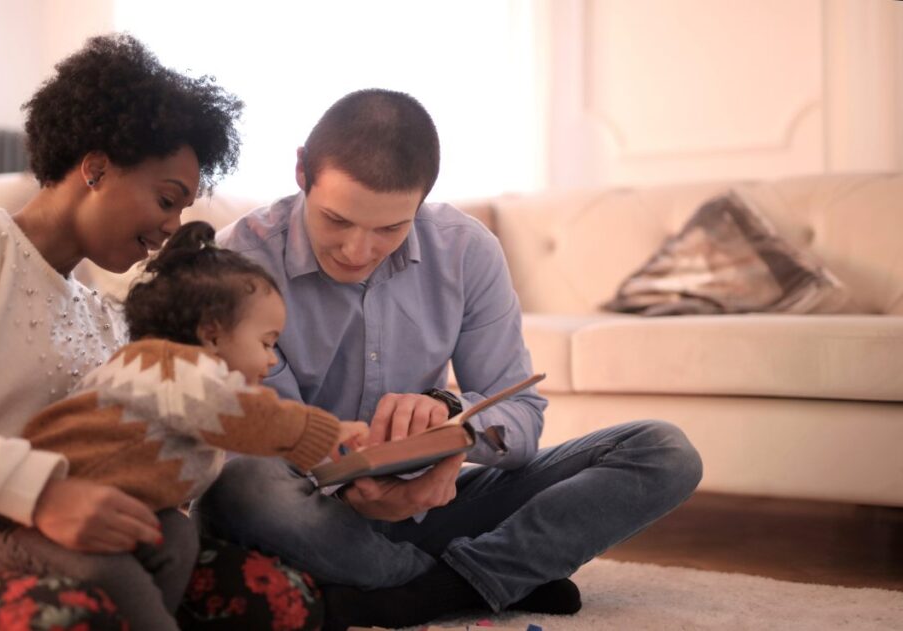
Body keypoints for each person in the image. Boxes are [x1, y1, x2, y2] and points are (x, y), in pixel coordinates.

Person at [193, 88, 705, 630]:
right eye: (337, 220)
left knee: (662, 452)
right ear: (301, 171)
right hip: (306, 511)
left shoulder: (466, 250)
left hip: (432, 504)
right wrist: (351, 486)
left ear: (422, 201)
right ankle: (486, 578)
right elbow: (261, 435)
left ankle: (428, 590)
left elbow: (523, 420)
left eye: (390, 228)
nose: (358, 250)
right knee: (241, 485)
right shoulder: (235, 263)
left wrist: (453, 428)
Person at [0, 33, 324, 631]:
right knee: (79, 616)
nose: (173, 227)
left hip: (64, 546)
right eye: (167, 200)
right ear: (95, 167)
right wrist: (40, 493)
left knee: (279, 598)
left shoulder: (104, 314)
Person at [0, 220, 369, 631]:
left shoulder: (168, 379)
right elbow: (245, 414)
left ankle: (154, 617)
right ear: (211, 335)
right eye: (266, 343)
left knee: (175, 534)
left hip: (98, 518)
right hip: (13, 526)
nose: (270, 360)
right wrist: (322, 432)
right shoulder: (169, 369)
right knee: (116, 578)